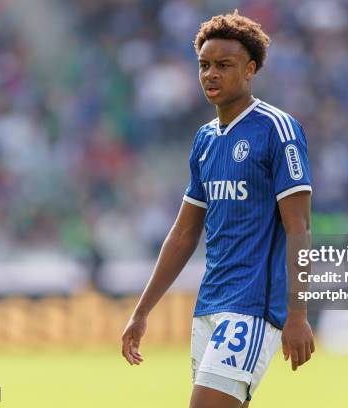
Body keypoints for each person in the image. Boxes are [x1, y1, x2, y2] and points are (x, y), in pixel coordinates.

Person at [122, 10, 315, 408]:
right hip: (209, 305)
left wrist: (298, 313)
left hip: (252, 306)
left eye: (223, 66)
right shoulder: (206, 139)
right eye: (204, 65)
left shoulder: (277, 130)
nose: (211, 74)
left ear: (250, 69)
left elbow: (299, 228)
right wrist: (141, 311)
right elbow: (184, 233)